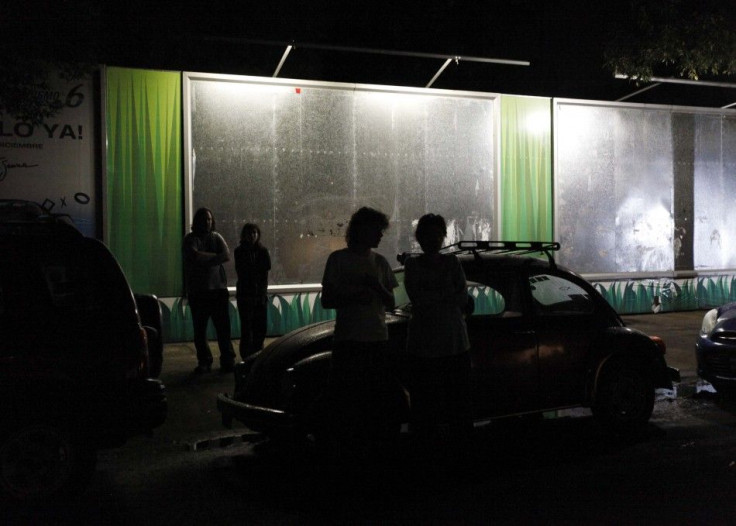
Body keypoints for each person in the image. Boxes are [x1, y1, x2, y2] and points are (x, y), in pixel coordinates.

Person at [320, 206, 399, 450]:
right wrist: (357, 296)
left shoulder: (381, 263)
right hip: (350, 340)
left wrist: (375, 287)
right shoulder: (338, 260)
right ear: (363, 230)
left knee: (371, 399)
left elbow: (391, 302)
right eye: (377, 230)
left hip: (376, 339)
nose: (380, 236)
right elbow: (327, 300)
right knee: (348, 399)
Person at [404, 213, 472, 452]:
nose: (433, 239)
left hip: (442, 344)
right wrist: (447, 296)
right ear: (420, 237)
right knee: (433, 407)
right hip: (443, 344)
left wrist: (434, 297)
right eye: (428, 234)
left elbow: (457, 298)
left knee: (445, 406)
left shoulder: (447, 263)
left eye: (437, 234)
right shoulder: (421, 265)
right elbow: (455, 298)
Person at [182, 207, 236, 374]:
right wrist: (215, 257)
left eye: (209, 219)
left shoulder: (216, 236)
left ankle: (227, 360)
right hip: (198, 292)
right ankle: (204, 361)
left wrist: (203, 257)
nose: (207, 222)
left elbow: (226, 255)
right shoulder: (190, 239)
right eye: (204, 219)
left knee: (223, 329)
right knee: (200, 330)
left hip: (218, 291)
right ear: (197, 221)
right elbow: (194, 256)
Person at [234, 222, 271, 359]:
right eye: (250, 233)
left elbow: (264, 274)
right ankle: (247, 357)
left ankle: (257, 355)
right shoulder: (239, 251)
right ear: (244, 235)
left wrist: (262, 293)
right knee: (247, 329)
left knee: (260, 328)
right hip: (245, 295)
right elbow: (244, 272)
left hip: (259, 295)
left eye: (255, 233)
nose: (252, 236)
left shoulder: (263, 251)